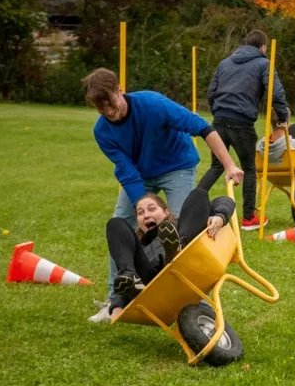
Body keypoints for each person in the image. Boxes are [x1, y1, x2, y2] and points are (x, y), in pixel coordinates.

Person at [82, 68, 243, 322]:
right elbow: (128, 173)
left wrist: (230, 165)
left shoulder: (153, 104)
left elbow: (203, 128)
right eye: (103, 110)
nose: (110, 114)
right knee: (121, 222)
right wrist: (144, 211)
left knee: (182, 225)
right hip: (140, 174)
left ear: (119, 89)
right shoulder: (102, 132)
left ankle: (195, 298)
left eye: (112, 105)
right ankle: (116, 298)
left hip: (176, 166)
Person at [197, 29, 290, 230]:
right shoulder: (264, 63)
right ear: (263, 47)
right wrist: (282, 116)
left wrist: (218, 111)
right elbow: (275, 91)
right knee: (249, 169)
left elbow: (211, 92)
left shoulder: (225, 63)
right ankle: (249, 218)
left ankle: (191, 206)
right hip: (242, 123)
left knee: (217, 166)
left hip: (219, 121)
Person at [106, 188, 236, 318]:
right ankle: (133, 274)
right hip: (148, 282)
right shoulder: (138, 245)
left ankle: (177, 248)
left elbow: (224, 201)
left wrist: (220, 216)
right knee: (115, 223)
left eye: (152, 209)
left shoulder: (182, 224)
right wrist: (116, 304)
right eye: (140, 213)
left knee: (199, 193)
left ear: (166, 212)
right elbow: (124, 282)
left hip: (183, 263)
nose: (146, 215)